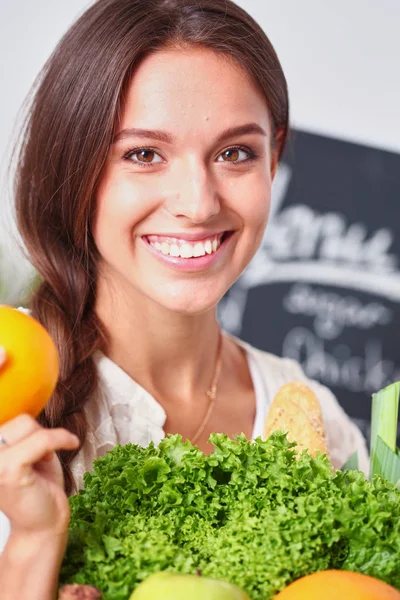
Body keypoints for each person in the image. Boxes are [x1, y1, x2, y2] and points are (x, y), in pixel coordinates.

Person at [0, 0, 369, 597]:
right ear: (74, 165)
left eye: (234, 153)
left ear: (274, 156)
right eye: (143, 154)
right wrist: (33, 546)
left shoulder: (318, 420)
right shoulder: (9, 388)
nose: (198, 204)